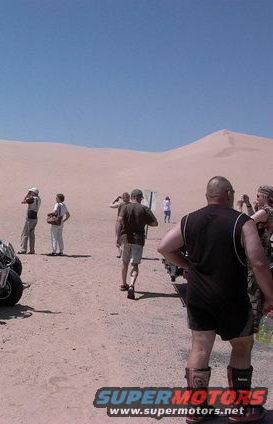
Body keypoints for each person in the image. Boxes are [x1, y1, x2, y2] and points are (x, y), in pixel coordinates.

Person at [158, 176, 273, 423]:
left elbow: (165, 247)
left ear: (207, 196)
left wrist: (187, 265)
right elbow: (259, 262)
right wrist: (271, 297)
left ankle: (197, 409)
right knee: (241, 346)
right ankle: (241, 409)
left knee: (200, 347)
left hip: (198, 296)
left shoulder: (190, 220)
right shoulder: (241, 221)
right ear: (230, 195)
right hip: (233, 296)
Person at [236, 185, 273, 333]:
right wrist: (249, 204)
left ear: (265, 197)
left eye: (258, 196)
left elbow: (244, 224)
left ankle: (252, 323)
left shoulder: (266, 212)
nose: (256, 198)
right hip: (262, 253)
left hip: (256, 254)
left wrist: (239, 207)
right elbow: (254, 221)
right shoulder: (267, 212)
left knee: (253, 287)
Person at [116, 189, 158, 299]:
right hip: (138, 240)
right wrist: (144, 221)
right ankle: (131, 285)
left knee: (125, 262)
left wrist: (118, 236)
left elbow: (119, 220)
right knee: (135, 264)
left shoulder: (125, 207)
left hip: (125, 238)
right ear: (139, 198)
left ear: (132, 197)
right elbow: (155, 223)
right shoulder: (144, 208)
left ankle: (123, 284)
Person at [19, 187, 41, 254]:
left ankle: (23, 249)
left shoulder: (32, 198)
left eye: (31, 192)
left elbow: (24, 201)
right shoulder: (39, 199)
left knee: (25, 234)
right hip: (35, 217)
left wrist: (28, 194)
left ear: (34, 193)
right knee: (32, 234)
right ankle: (32, 250)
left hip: (30, 218)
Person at [110, 192, 130, 258]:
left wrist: (115, 199)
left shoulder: (120, 204)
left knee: (118, 238)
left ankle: (121, 253)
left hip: (120, 223)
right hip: (128, 223)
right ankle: (124, 252)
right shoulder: (130, 205)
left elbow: (111, 205)